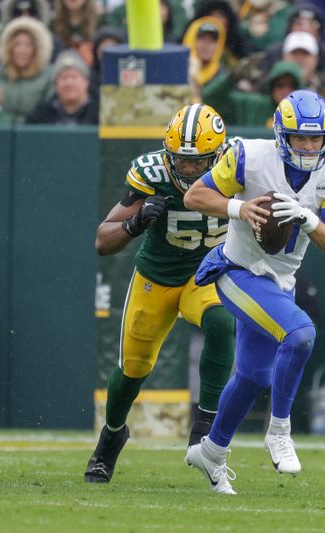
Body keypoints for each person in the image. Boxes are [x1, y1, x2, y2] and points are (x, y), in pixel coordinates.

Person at [183, 90, 325, 494]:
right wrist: (239, 208)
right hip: (237, 270)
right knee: (299, 335)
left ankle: (211, 452)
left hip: (280, 281)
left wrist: (310, 221)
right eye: (300, 137)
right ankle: (279, 430)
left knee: (252, 375)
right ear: (282, 134)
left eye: (317, 138)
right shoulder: (250, 156)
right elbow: (195, 195)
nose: (309, 146)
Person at [84, 104, 235, 484]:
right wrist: (135, 223)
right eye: (180, 161)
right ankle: (112, 436)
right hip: (157, 277)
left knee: (222, 321)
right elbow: (103, 241)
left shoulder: (238, 168)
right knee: (133, 370)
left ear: (217, 155)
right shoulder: (152, 173)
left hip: (206, 274)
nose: (186, 170)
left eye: (196, 162)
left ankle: (205, 428)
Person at [0, 17, 54, 123]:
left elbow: (47, 110)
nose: (22, 50)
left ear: (37, 48)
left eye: (28, 45)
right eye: (17, 44)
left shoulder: (48, 76)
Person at [25, 50, 97, 125]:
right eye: (64, 77)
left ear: (86, 82)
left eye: (74, 77)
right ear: (56, 85)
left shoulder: (100, 114)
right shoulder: (39, 116)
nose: (69, 83)